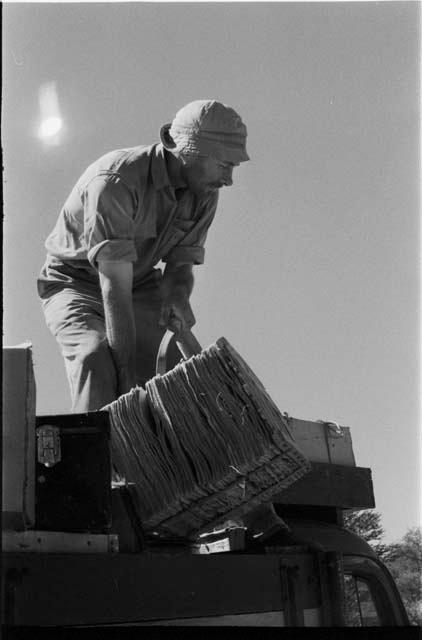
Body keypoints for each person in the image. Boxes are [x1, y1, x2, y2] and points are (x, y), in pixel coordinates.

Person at [37, 99, 249, 412]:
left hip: (139, 280)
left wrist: (177, 296)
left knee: (175, 369)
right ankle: (96, 455)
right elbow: (113, 285)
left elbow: (179, 268)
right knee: (97, 360)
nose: (229, 179)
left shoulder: (204, 194)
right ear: (185, 150)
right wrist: (126, 378)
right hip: (76, 284)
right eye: (224, 164)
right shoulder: (116, 181)